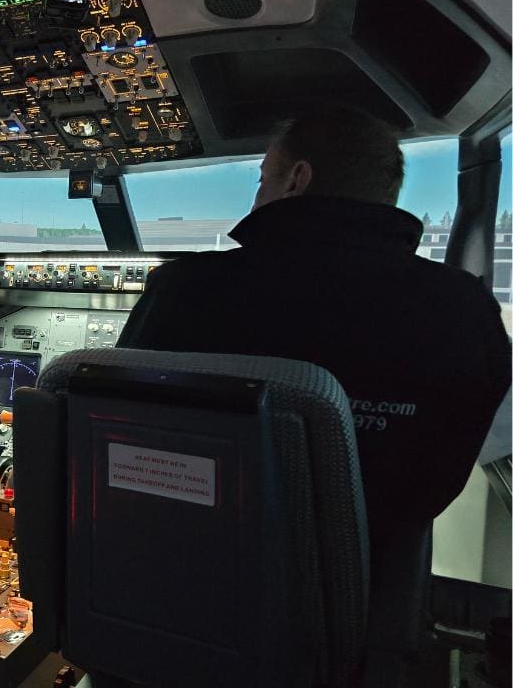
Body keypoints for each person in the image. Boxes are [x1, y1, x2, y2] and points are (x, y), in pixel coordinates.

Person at [118, 108, 511, 547]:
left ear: (297, 179)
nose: (257, 198)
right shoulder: (464, 307)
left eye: (262, 181)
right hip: (372, 583)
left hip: (184, 558)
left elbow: (110, 425)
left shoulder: (186, 289)